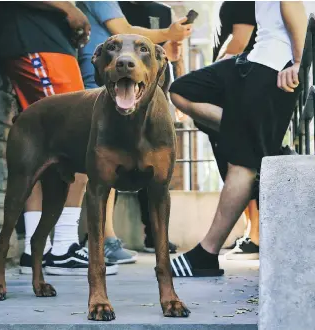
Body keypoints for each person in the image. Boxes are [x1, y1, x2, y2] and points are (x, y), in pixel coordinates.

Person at [168, 1, 306, 277]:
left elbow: (293, 5)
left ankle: (206, 254)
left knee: (242, 164)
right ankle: (257, 136)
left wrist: (299, 61)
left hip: (274, 68)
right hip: (252, 61)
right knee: (181, 90)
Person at [0, 1, 118, 276]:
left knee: (42, 152)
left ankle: (38, 251)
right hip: (37, 43)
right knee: (83, 145)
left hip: (48, 45)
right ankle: (62, 248)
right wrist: (68, 9)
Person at [76, 1, 192, 263]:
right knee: (104, 167)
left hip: (135, 83)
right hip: (103, 83)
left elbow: (170, 55)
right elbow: (123, 29)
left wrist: (171, 45)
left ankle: (129, 237)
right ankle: (103, 240)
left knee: (138, 158)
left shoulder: (160, 10)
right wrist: (168, 34)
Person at [196, 1, 261, 260]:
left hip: (238, 86)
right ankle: (251, 233)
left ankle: (256, 235)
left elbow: (240, 40)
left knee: (241, 159)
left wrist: (206, 77)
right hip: (236, 85)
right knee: (233, 160)